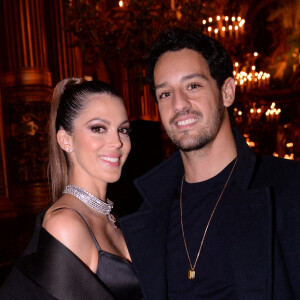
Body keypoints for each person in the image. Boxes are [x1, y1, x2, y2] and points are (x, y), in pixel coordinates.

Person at [119, 28, 300, 299]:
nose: (179, 105)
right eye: (165, 93)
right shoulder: (146, 212)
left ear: (226, 92)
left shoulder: (291, 188)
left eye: (193, 86)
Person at [0, 78, 144, 300]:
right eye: (98, 128)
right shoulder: (66, 224)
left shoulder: (112, 216)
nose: (117, 141)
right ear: (66, 140)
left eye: (123, 129)